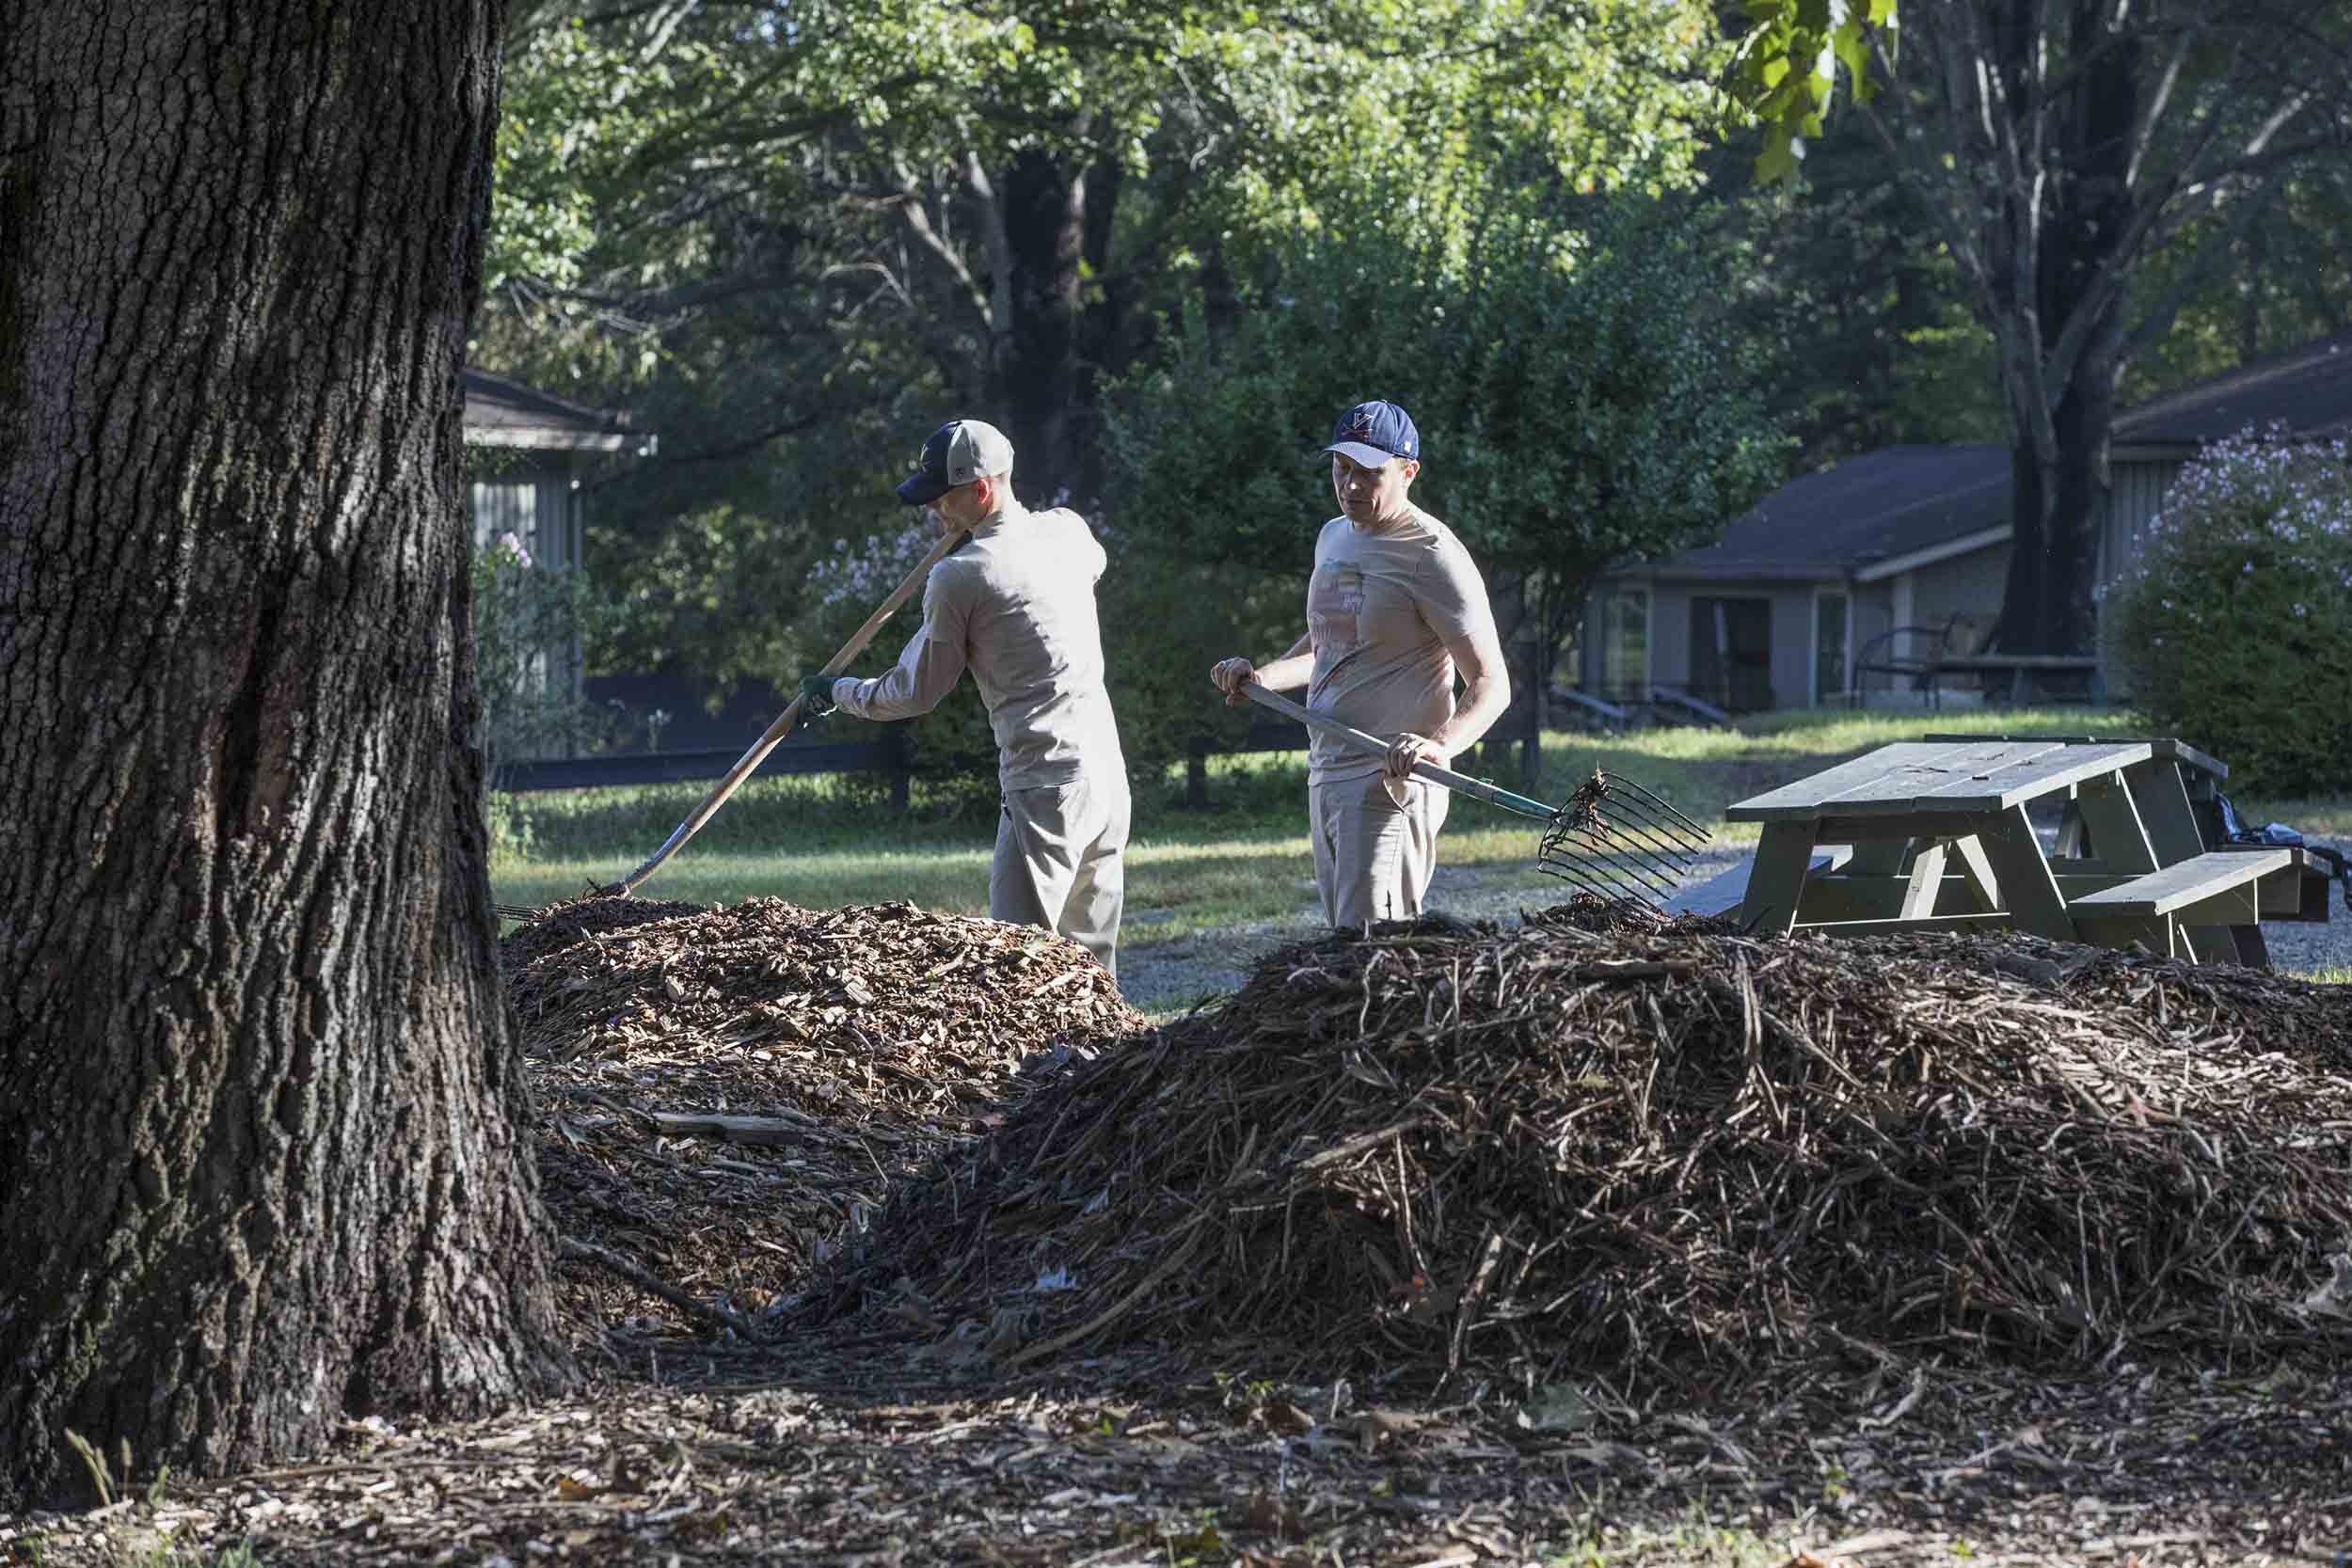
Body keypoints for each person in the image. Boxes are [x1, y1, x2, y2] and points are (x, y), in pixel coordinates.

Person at [798, 419, 1132, 974]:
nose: (934, 512)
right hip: (1105, 776)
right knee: (1092, 963)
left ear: (981, 489)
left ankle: (1038, 1063)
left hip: (1043, 782)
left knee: (1018, 967)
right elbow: (1088, 568)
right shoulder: (1068, 532)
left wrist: (841, 691)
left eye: (941, 499)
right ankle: (1105, 1061)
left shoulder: (960, 576)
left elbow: (916, 690)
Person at [1209, 399, 1510, 930]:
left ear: (1408, 471)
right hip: (1326, 769)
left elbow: (1491, 683)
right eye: (1341, 470)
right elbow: (1330, 643)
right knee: (1346, 943)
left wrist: (1440, 746)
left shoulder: (1432, 554)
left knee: (1379, 953)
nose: (1350, 487)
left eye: (1369, 474)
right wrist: (1259, 678)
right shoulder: (1334, 536)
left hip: (1389, 780)